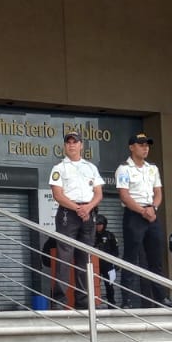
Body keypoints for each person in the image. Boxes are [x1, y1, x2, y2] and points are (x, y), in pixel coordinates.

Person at [49, 131, 101, 308]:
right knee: (64, 257)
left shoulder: (91, 167)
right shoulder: (59, 168)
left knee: (85, 258)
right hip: (68, 214)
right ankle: (59, 301)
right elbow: (57, 195)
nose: (72, 145)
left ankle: (84, 301)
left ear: (81, 145)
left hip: (88, 212)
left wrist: (88, 207)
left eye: (75, 142)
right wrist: (78, 208)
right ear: (65, 146)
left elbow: (99, 193)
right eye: (68, 142)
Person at [115, 132, 165, 307]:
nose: (145, 148)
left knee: (156, 258)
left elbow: (158, 192)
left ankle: (160, 297)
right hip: (134, 215)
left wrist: (154, 208)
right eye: (141, 144)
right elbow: (124, 196)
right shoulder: (124, 168)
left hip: (151, 213)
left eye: (147, 145)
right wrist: (143, 211)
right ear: (131, 147)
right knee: (131, 257)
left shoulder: (153, 168)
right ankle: (127, 300)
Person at [93, 215, 119, 305]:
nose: (98, 226)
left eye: (100, 224)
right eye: (96, 224)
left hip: (107, 264)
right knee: (94, 285)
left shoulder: (110, 235)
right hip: (95, 264)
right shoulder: (91, 235)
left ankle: (111, 303)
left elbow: (115, 251)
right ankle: (94, 303)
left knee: (109, 285)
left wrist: (115, 264)